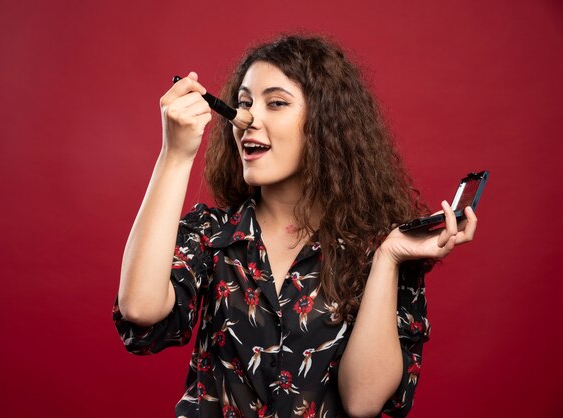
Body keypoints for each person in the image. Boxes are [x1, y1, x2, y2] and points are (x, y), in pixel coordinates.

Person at [112, 35, 477, 418]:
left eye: (276, 103)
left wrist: (387, 259)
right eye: (244, 103)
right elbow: (140, 310)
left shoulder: (376, 246)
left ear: (325, 124)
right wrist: (175, 153)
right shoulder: (211, 233)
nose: (248, 118)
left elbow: (364, 401)